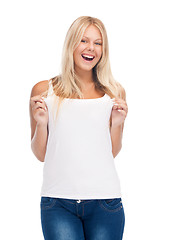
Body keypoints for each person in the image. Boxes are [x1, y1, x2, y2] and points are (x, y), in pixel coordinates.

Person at [29, 16, 128, 240]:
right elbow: (40, 154)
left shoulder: (114, 92)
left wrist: (118, 124)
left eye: (98, 42)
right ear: (71, 44)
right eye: (83, 40)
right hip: (57, 203)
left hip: (105, 202)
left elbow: (111, 152)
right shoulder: (45, 90)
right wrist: (42, 124)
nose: (90, 48)